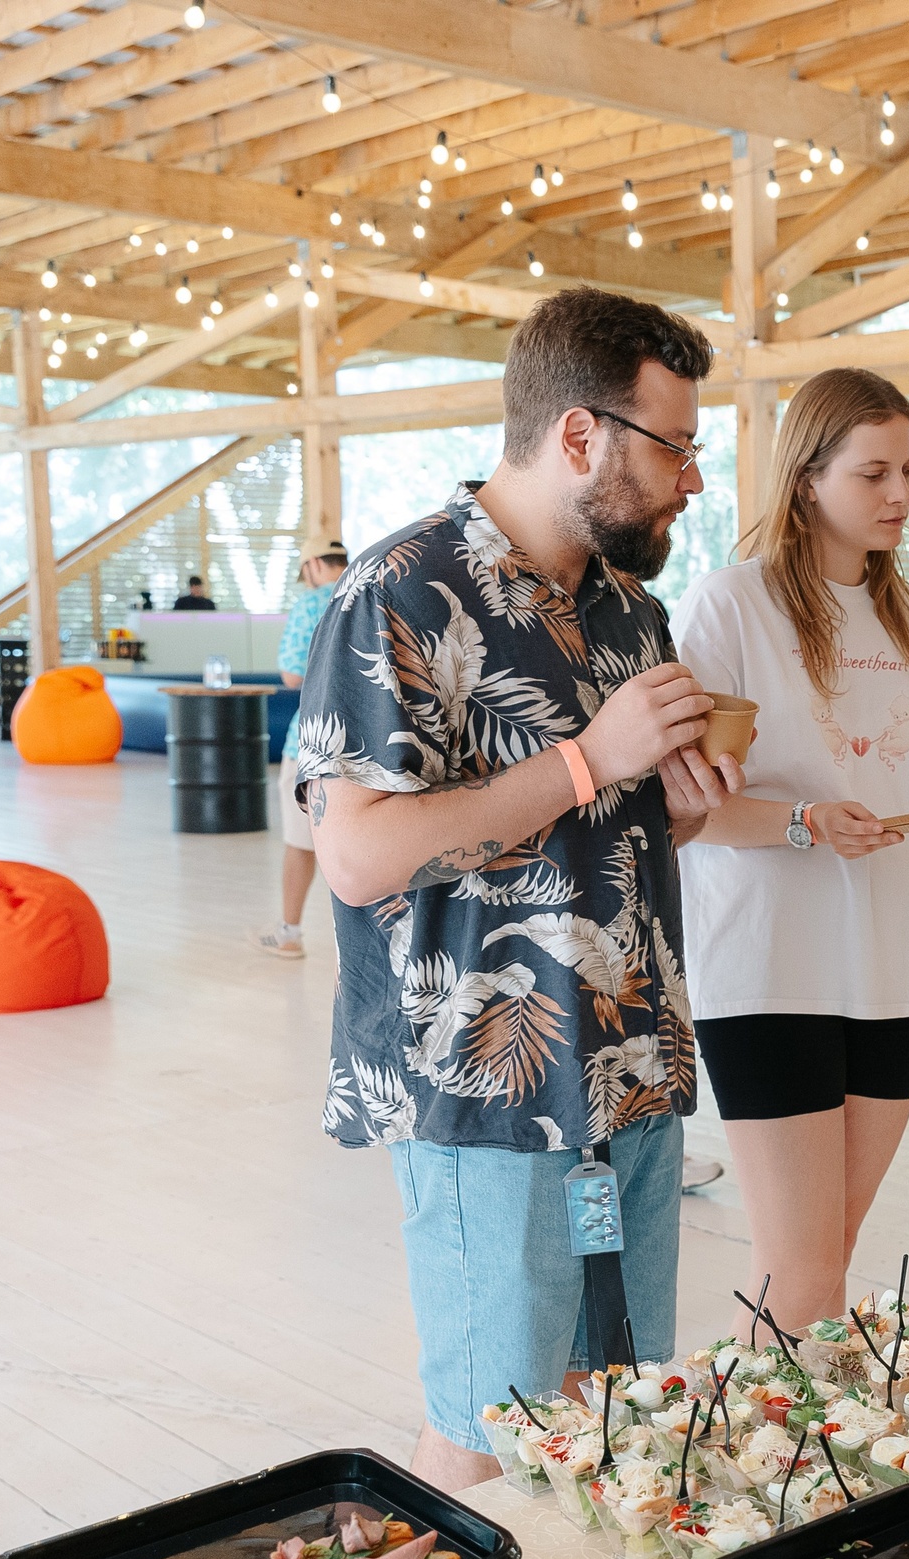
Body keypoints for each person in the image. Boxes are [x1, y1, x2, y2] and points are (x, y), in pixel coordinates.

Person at [298, 288, 739, 1492]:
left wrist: (681, 803)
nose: (693, 479)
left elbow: (609, 837)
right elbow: (359, 856)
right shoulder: (400, 590)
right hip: (481, 1089)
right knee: (490, 1424)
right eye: (676, 447)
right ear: (581, 435)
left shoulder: (631, 611)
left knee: (615, 1404)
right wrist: (589, 759)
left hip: (632, 1069)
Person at [670, 368, 909, 1333]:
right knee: (802, 1270)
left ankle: (782, 1424)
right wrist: (805, 822)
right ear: (807, 479)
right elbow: (684, 806)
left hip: (894, 971)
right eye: (874, 473)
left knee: (823, 1265)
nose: (900, 493)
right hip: (769, 965)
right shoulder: (730, 605)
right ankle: (763, 1431)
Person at [249, 537, 347, 960]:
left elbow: (291, 675)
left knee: (300, 840)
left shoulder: (312, 603)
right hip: (372, 739)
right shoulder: (375, 587)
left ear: (312, 565)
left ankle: (288, 932)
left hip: (313, 739)